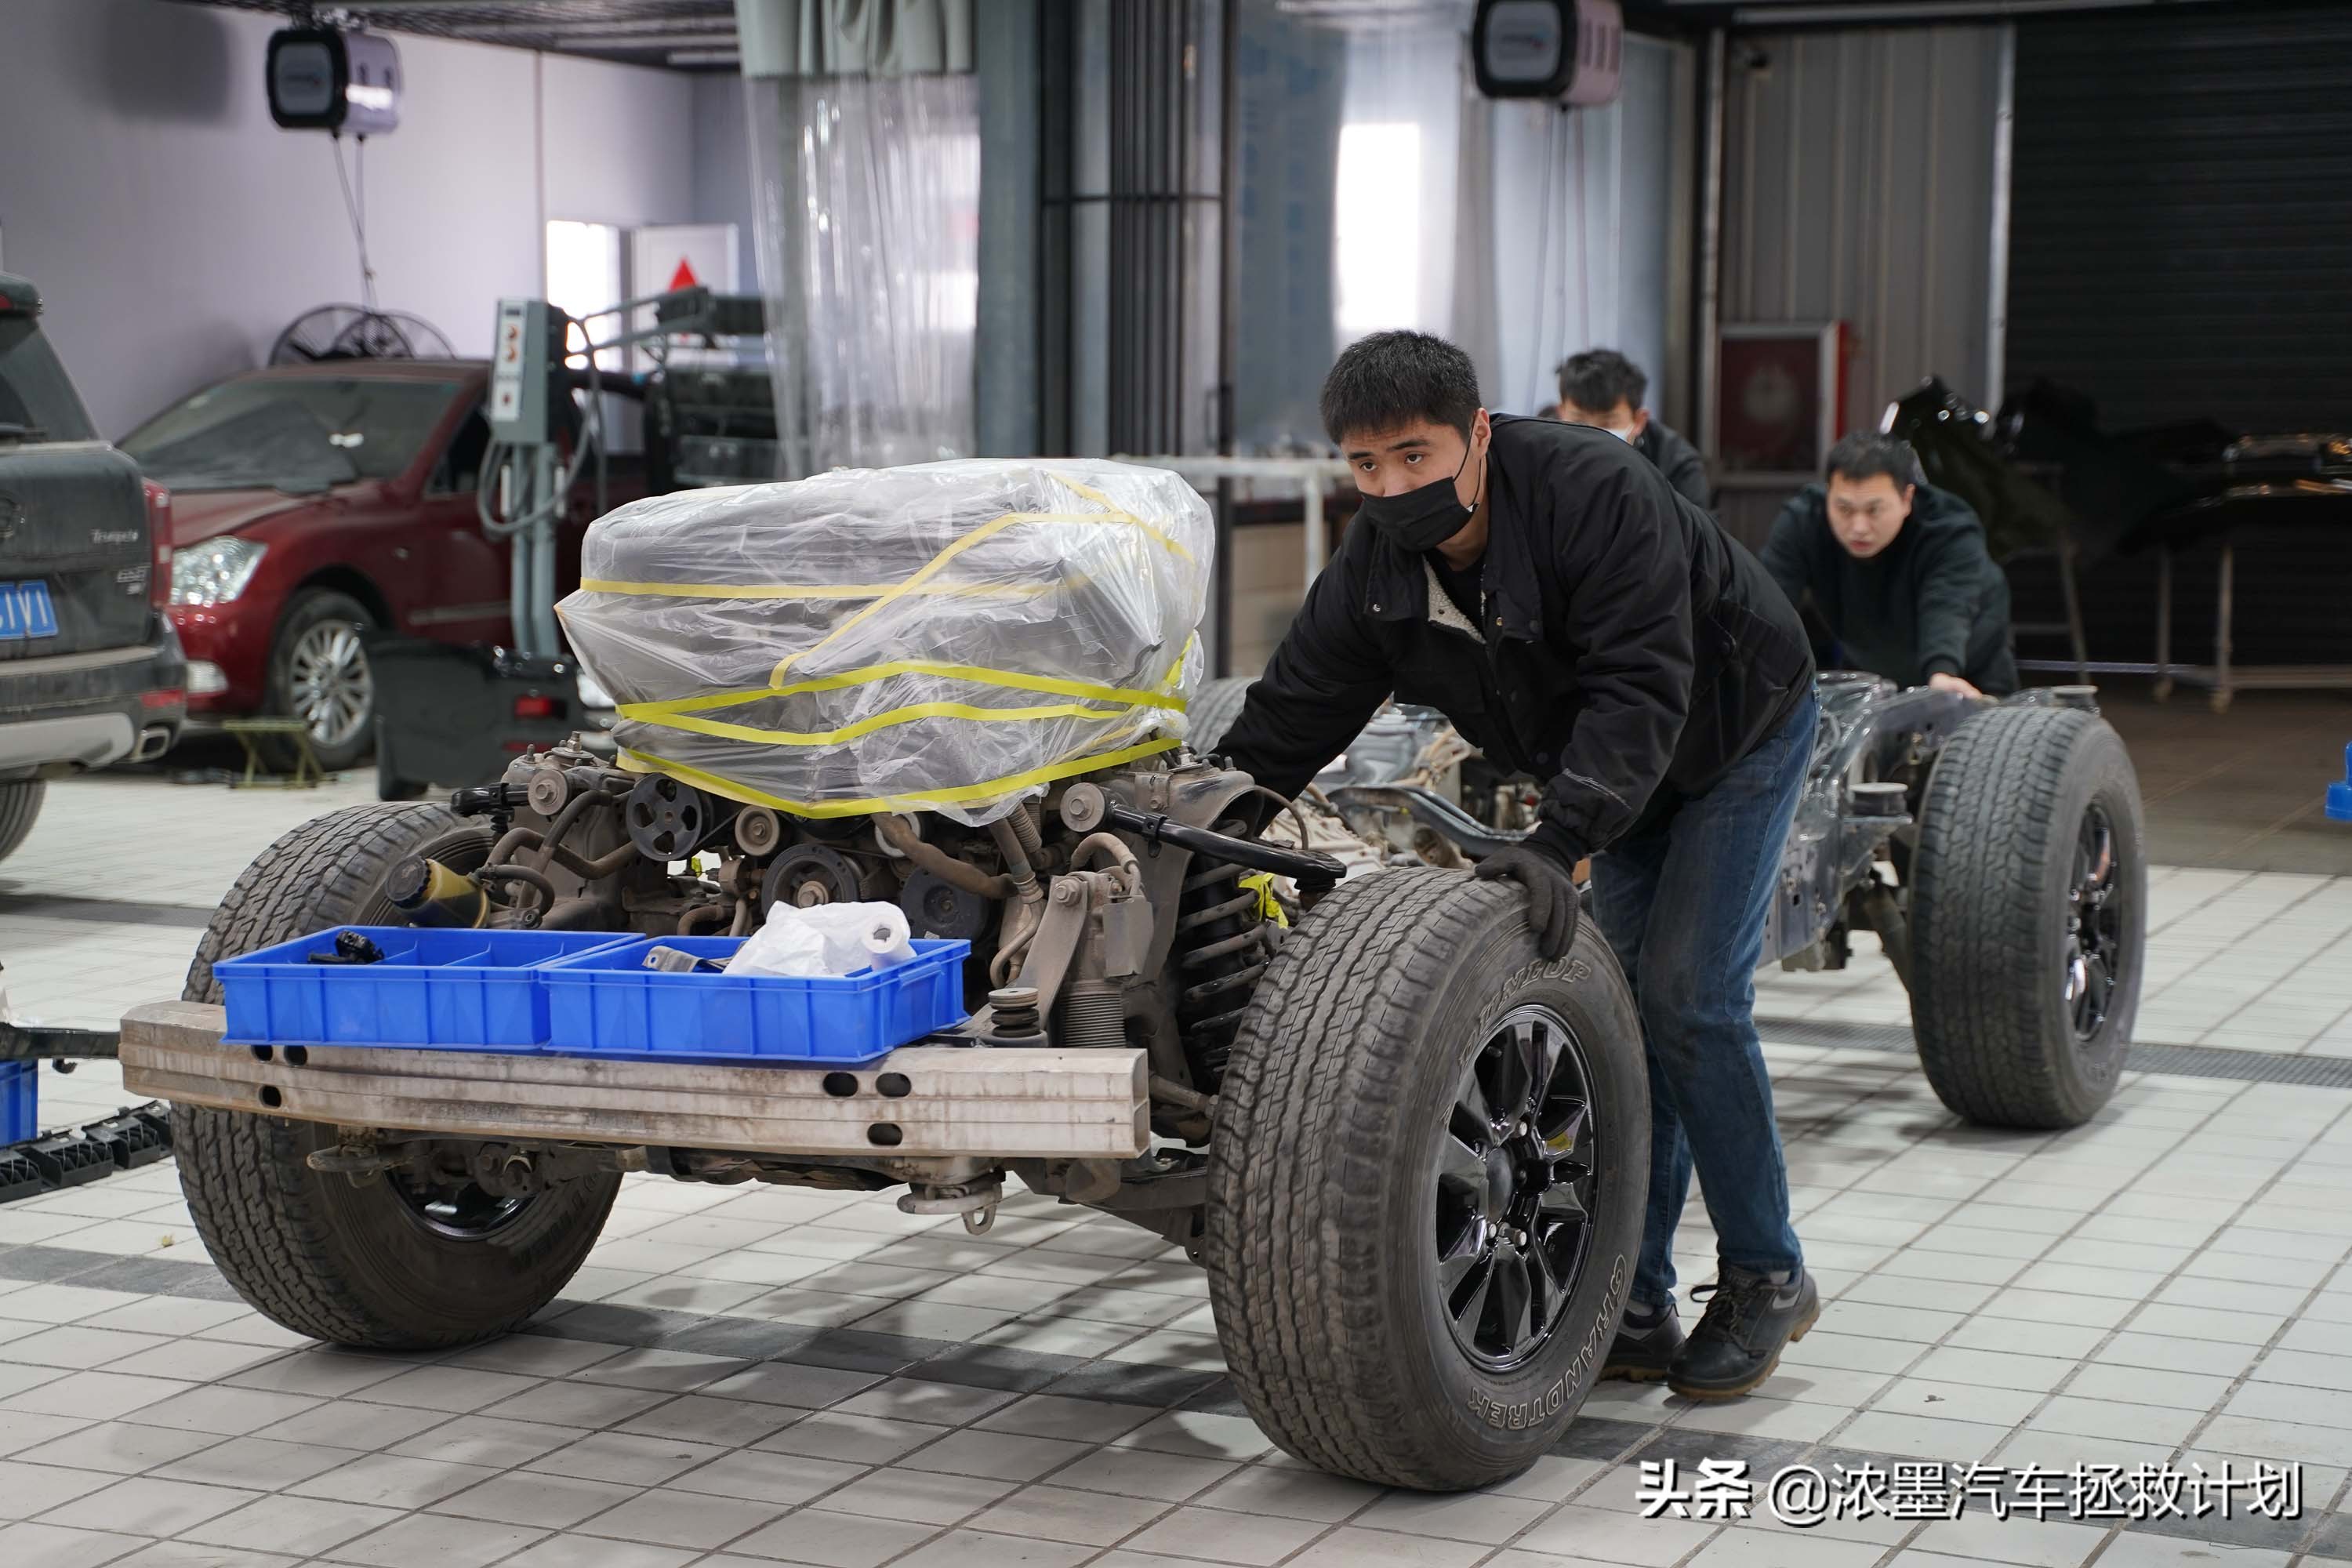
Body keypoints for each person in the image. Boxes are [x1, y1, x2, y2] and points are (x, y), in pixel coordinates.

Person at [1217, 330, 1823, 1400]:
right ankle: (1635, 1297)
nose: (1394, 488)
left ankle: (1769, 1274)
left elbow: (1642, 685)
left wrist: (1558, 837)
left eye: (1416, 456)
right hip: (1622, 762)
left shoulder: (1595, 492)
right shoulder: (1378, 572)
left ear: (1478, 435)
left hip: (1735, 728)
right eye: (1367, 468)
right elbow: (1293, 713)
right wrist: (1213, 821)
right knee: (1630, 1015)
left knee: (1689, 994)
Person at [1762, 433, 2018, 696]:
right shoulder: (1803, 521)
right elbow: (1768, 605)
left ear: (1907, 499)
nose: (1858, 528)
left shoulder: (1949, 530)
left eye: (1874, 510)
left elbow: (1947, 605)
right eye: (1844, 509)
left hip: (1969, 662)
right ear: (1828, 495)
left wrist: (1942, 673)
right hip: (1871, 658)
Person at [1554, 347, 1711, 511]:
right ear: (1561, 412)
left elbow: (1695, 533)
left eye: (1608, 423)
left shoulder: (1676, 463)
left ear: (1638, 420)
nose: (1592, 435)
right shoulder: (1541, 453)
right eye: (1579, 421)